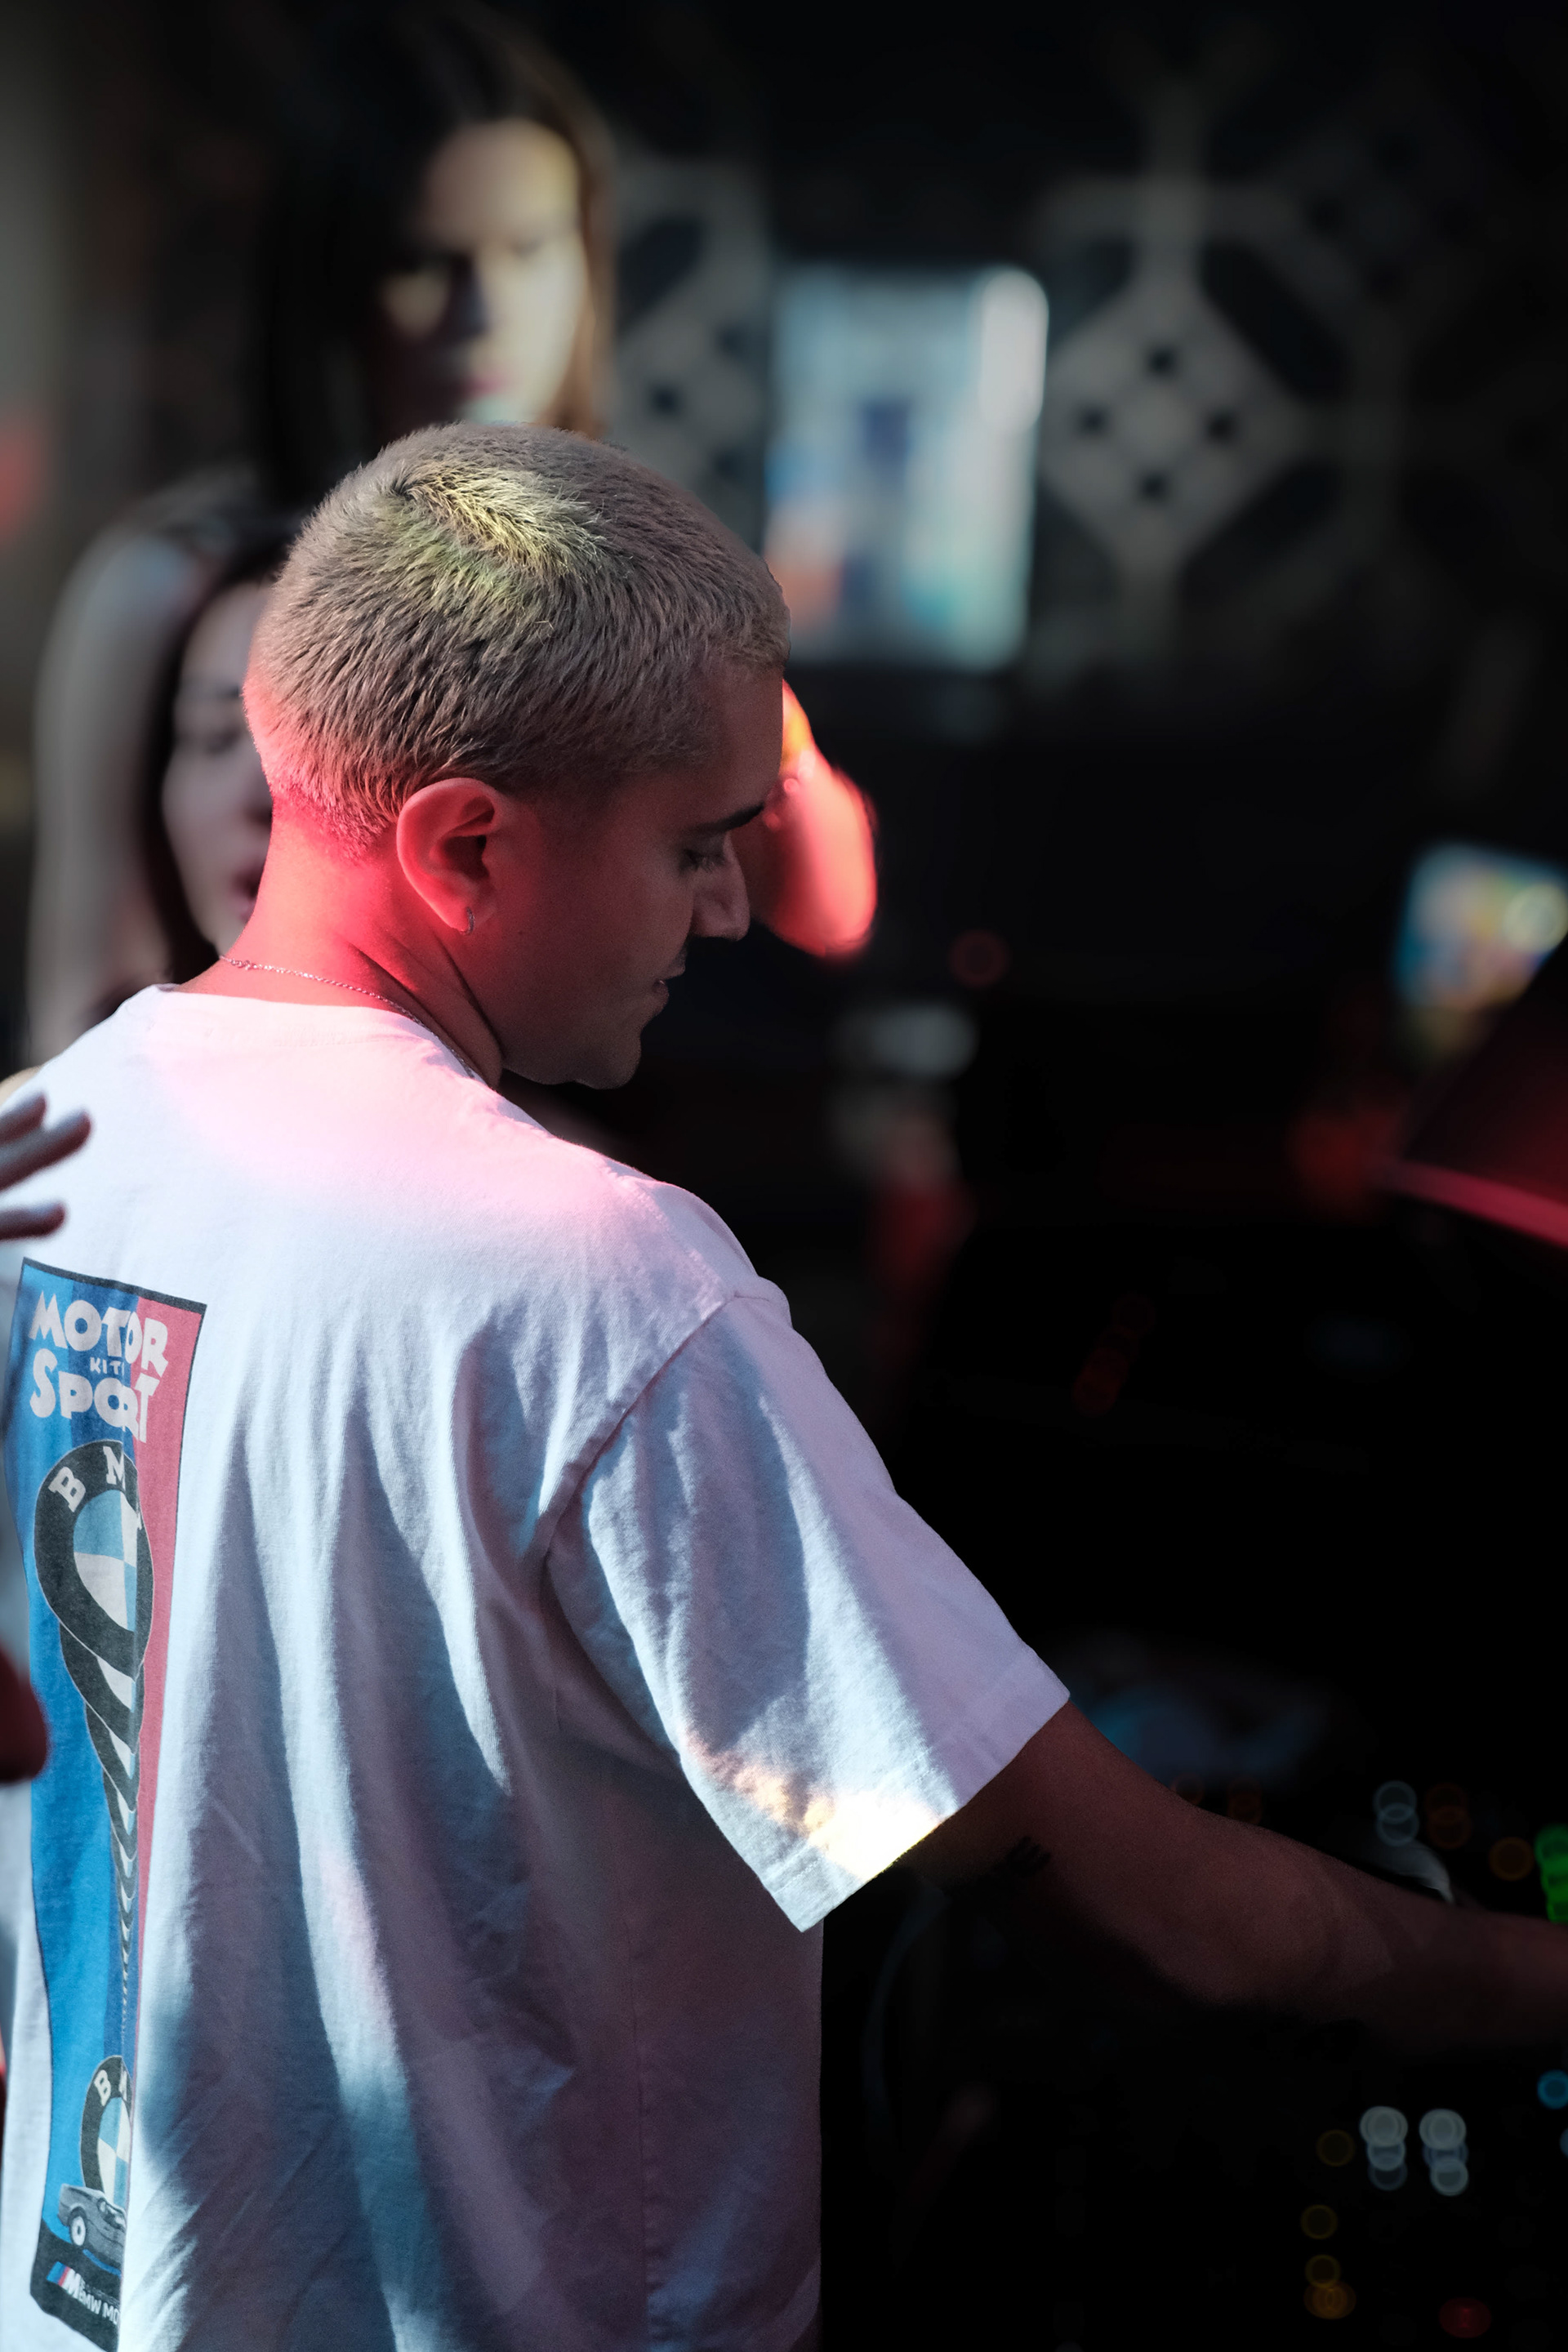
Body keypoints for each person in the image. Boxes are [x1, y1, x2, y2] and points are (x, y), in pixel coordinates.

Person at [6, 425, 1560, 2352]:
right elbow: (1174, 1915)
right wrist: (1532, 1982)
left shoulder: (55, 1137)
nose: (733, 913)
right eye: (692, 844)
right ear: (468, 843)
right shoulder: (594, 1282)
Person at [28, 0, 871, 1064]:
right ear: (338, 282)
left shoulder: (639, 574)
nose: (486, 313)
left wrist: (753, 708)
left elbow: (828, 919)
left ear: (586, 256)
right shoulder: (176, 582)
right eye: (427, 260)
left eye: (530, 249)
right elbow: (87, 1009)